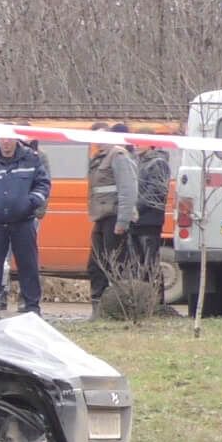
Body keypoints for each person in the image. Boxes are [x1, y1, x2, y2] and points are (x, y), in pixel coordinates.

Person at [0, 134, 50, 321]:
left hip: (24, 222)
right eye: (2, 138)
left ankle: (32, 307)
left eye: (9, 138)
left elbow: (43, 184)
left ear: (16, 140)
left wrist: (31, 203)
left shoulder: (31, 160)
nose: (6, 142)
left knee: (28, 265)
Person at [86, 123, 139, 306]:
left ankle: (123, 305)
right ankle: (98, 306)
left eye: (101, 137)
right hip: (101, 217)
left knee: (117, 264)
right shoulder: (98, 158)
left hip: (115, 217)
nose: (98, 142)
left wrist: (123, 221)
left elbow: (128, 189)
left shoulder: (118, 156)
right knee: (95, 265)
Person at [133, 140, 172, 289]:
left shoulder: (158, 163)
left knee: (150, 264)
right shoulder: (138, 162)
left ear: (150, 144)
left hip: (149, 220)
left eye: (139, 143)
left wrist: (136, 208)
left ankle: (156, 301)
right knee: (139, 264)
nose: (136, 145)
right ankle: (144, 299)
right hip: (137, 220)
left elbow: (155, 192)